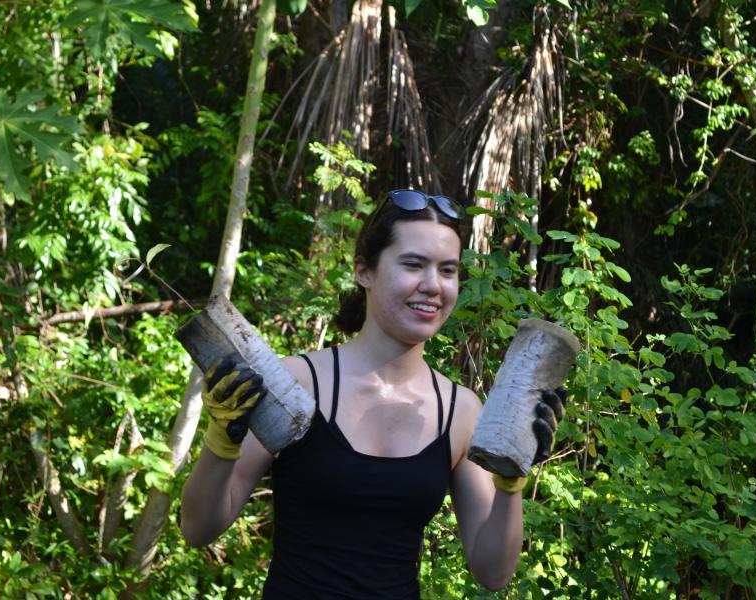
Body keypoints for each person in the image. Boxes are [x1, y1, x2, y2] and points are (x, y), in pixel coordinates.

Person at [180, 189, 568, 598]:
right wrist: (222, 440)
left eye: (448, 270)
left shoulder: (461, 410)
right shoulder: (296, 381)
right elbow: (198, 528)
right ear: (364, 270)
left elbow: (492, 572)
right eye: (413, 265)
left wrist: (511, 483)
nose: (433, 286)